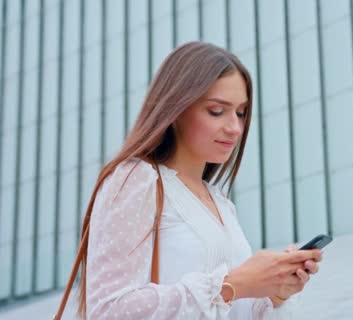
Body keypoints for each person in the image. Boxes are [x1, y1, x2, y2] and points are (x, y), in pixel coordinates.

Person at [70, 42, 322, 319]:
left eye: (240, 112)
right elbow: (108, 310)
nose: (235, 128)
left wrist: (274, 292)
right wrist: (231, 285)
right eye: (216, 111)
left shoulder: (222, 203)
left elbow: (231, 308)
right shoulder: (137, 179)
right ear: (176, 109)